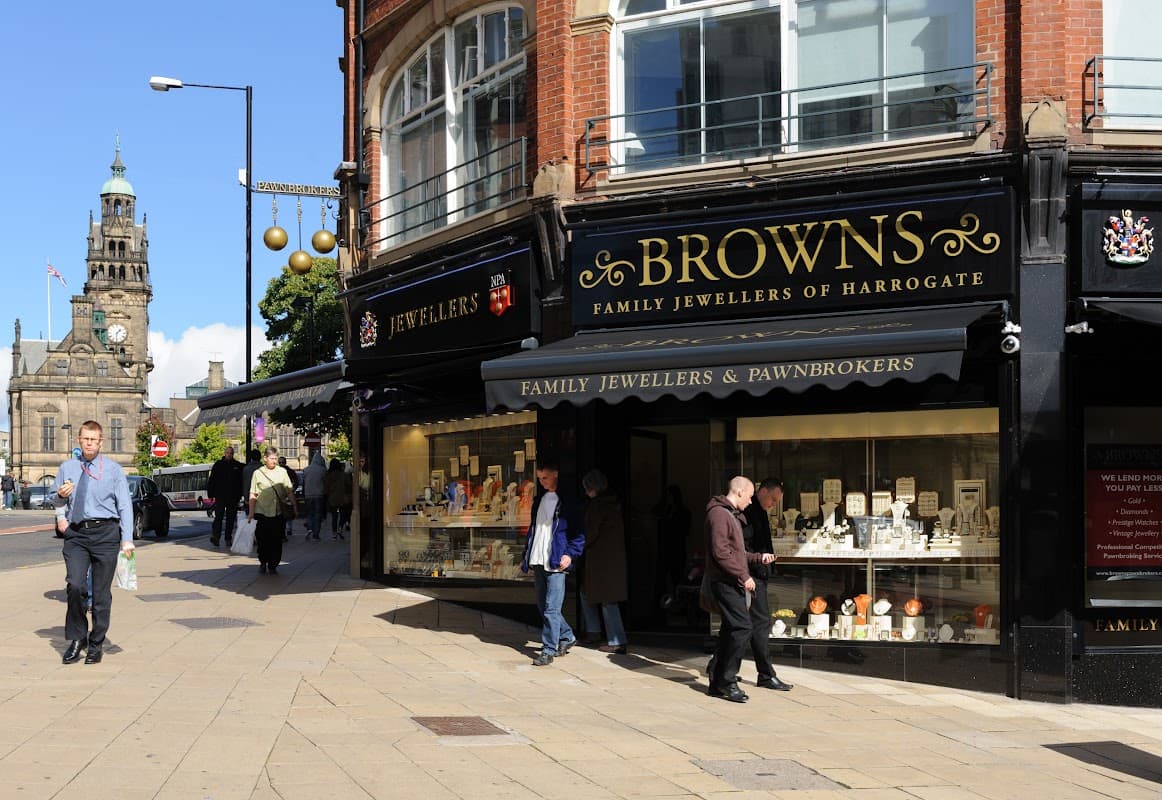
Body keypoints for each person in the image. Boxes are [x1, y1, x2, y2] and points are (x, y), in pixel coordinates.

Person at [52, 420, 135, 665]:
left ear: (101, 442)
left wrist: (127, 539)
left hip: (105, 534)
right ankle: (77, 638)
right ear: (79, 440)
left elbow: (124, 506)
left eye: (93, 439)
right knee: (75, 586)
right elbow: (56, 501)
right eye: (85, 439)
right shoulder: (67, 468)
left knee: (100, 594)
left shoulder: (113, 470)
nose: (89, 443)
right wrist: (59, 506)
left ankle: (96, 642)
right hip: (77, 535)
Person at [704, 476, 769, 703]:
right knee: (742, 627)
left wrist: (758, 558)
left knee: (731, 629)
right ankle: (726, 681)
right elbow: (720, 552)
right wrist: (743, 576)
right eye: (750, 496)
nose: (751, 502)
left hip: (731, 580)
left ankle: (717, 681)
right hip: (725, 582)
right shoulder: (720, 514)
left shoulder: (730, 515)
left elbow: (736, 553)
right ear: (740, 492)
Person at [519, 458, 585, 666]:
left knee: (551, 609)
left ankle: (548, 649)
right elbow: (534, 529)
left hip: (557, 562)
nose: (542, 482)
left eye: (545, 477)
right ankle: (567, 636)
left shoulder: (568, 501)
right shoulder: (539, 500)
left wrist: (569, 554)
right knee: (543, 606)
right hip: (539, 559)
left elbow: (579, 533)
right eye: (539, 478)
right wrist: (527, 554)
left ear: (555, 473)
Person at [741, 477, 793, 691]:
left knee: (742, 625)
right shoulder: (749, 512)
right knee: (758, 625)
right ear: (762, 492)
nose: (773, 504)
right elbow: (742, 547)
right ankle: (765, 674)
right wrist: (750, 572)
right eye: (772, 499)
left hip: (758, 574)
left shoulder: (760, 511)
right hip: (752, 576)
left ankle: (719, 665)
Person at [579, 468, 628, 654]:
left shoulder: (597, 506)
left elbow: (590, 533)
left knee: (606, 599)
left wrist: (576, 548)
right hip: (611, 559)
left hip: (600, 560)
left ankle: (616, 640)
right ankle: (595, 632)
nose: (586, 492)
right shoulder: (613, 503)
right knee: (593, 594)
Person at [247, 446, 297, 574]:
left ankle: (273, 564)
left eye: (275, 458)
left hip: (278, 511)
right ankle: (263, 562)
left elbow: (289, 491)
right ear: (265, 458)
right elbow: (253, 494)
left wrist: (294, 507)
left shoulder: (282, 472)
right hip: (261, 511)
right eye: (271, 458)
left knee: (276, 540)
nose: (274, 461)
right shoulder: (258, 473)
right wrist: (251, 513)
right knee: (263, 540)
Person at [207, 446, 244, 547]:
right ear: (224, 453)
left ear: (233, 454)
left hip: (233, 497)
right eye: (227, 453)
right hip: (220, 496)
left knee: (230, 518)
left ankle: (228, 538)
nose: (229, 455)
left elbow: (241, 482)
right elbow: (212, 480)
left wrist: (240, 494)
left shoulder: (237, 466)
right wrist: (210, 494)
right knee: (218, 517)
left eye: (231, 453)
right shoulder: (218, 465)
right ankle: (216, 536)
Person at [301, 452, 327, 541]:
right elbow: (325, 483)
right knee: (317, 514)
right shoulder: (323, 470)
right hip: (319, 495)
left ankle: (309, 528)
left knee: (309, 513)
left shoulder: (306, 470)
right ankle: (316, 534)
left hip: (308, 495)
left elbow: (304, 483)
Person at [324, 458, 353, 539]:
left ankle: (334, 533)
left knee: (334, 516)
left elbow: (326, 487)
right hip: (343, 498)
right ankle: (340, 528)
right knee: (343, 514)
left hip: (332, 498)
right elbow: (349, 485)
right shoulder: (343, 474)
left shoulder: (328, 475)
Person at [279, 456, 299, 539]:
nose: (281, 464)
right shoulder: (276, 471)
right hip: (280, 495)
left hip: (287, 494)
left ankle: (289, 528)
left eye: (282, 462)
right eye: (280, 463)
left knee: (288, 512)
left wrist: (293, 489)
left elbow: (296, 482)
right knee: (284, 513)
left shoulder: (290, 472)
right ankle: (286, 529)